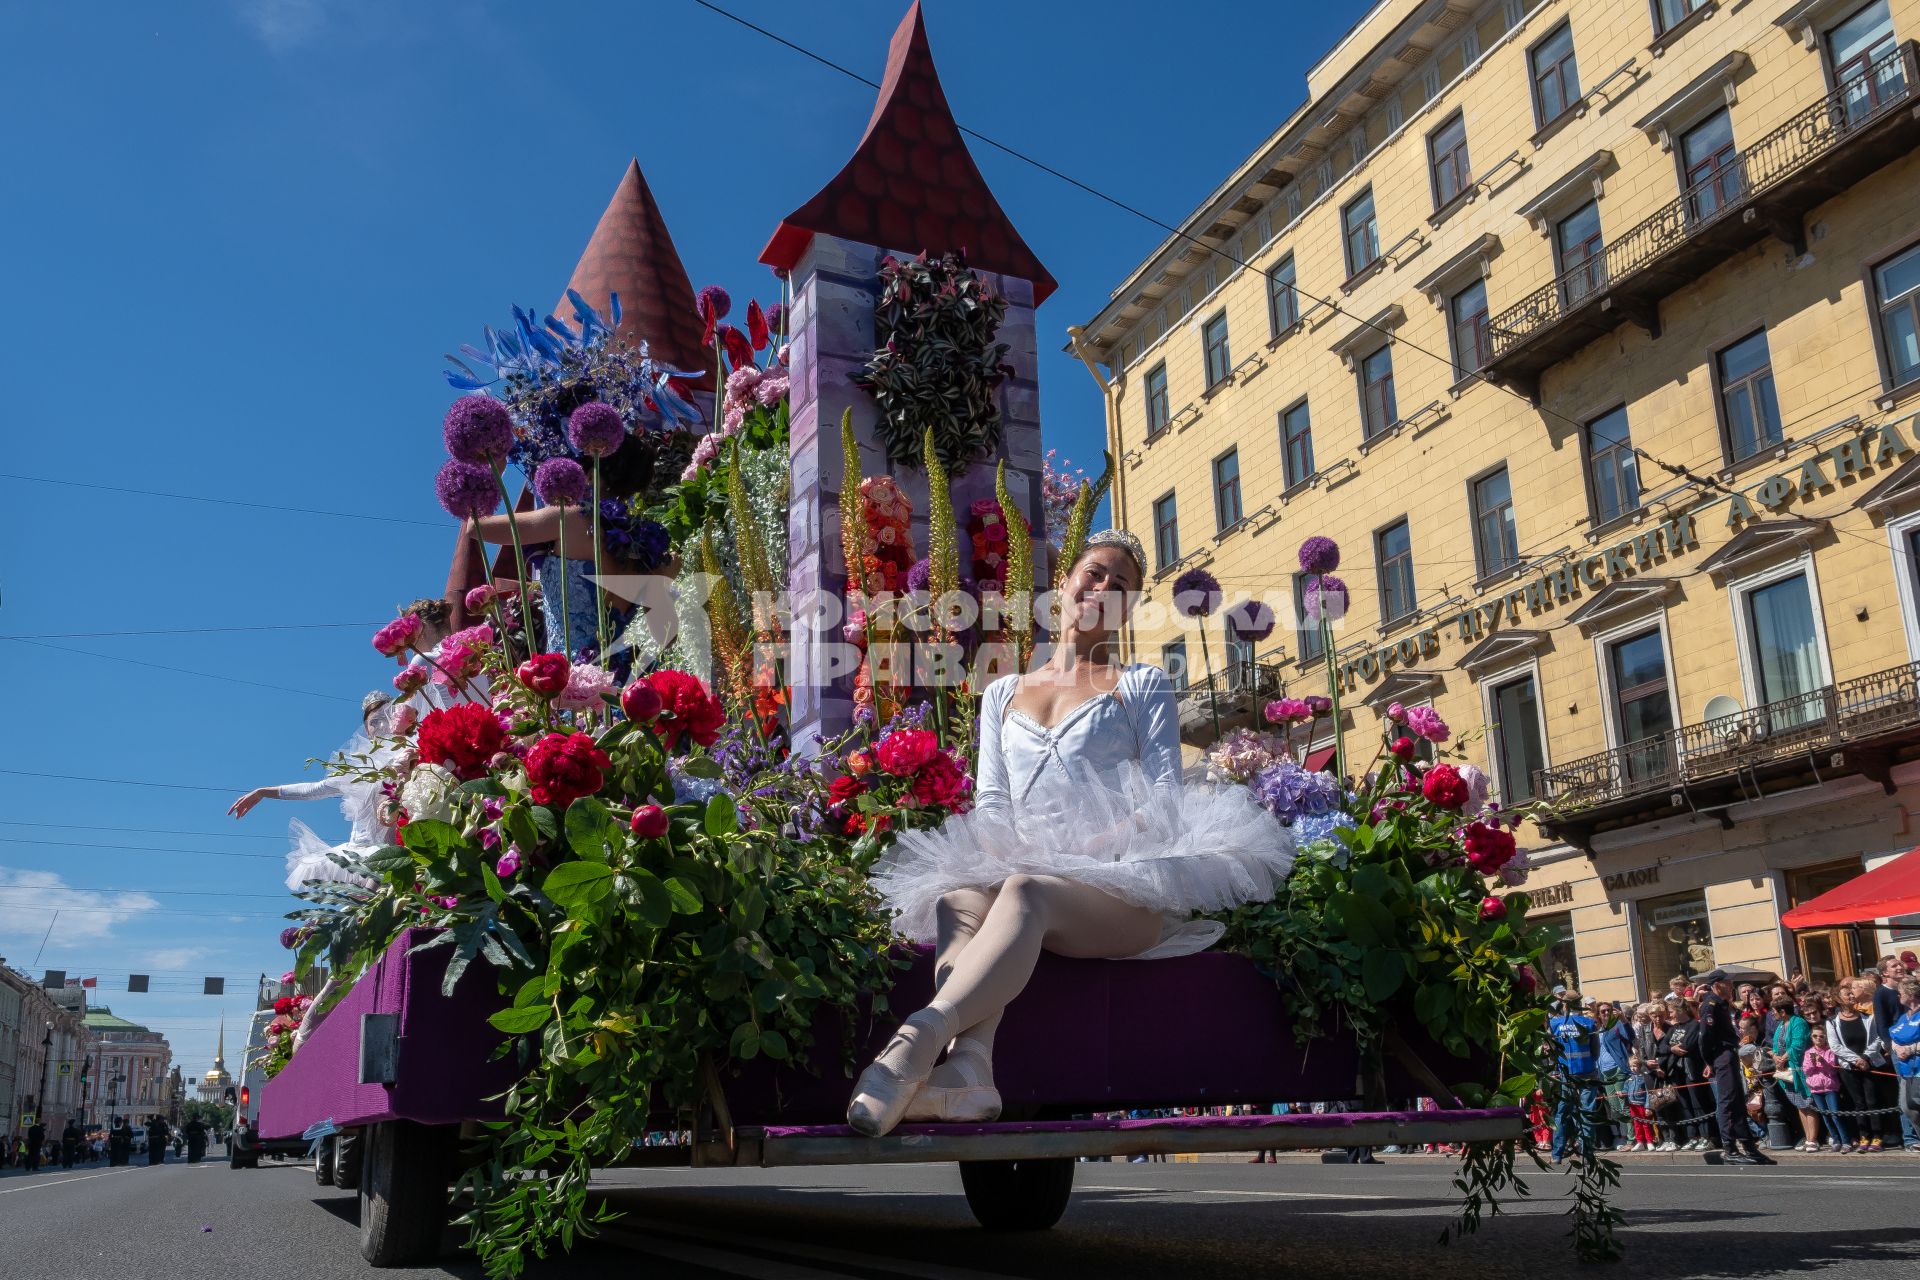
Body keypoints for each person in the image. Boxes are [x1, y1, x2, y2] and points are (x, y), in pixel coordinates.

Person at [848, 531, 1297, 1136]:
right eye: (1095, 573)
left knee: (1029, 891)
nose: (1104, 588)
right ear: (1065, 584)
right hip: (1025, 870)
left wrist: (1082, 851)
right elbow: (992, 800)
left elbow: (1166, 798)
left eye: (1122, 585)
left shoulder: (1141, 685)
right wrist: (1004, 850)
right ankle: (970, 1071)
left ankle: (917, 1038)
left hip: (1120, 887)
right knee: (959, 899)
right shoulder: (1004, 691)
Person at [229, 692, 401, 892]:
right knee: (359, 909)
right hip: (357, 852)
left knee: (367, 905)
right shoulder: (358, 768)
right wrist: (263, 792)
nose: (380, 726)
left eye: (386, 719)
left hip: (389, 853)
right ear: (366, 728)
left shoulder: (407, 757)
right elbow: (315, 789)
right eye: (375, 722)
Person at [1698, 969, 1773, 1164]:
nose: (1732, 986)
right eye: (1727, 982)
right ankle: (1730, 1147)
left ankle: (1748, 1146)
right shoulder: (1710, 1005)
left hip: (1729, 1054)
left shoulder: (1722, 1004)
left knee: (1738, 1102)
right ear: (1716, 984)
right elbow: (1705, 1037)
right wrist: (1710, 1061)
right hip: (1721, 1056)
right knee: (1728, 1102)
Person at [1829, 976, 1897, 1152]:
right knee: (1858, 1102)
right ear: (1838, 998)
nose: (1852, 996)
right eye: (1847, 994)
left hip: (1870, 1064)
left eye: (1853, 993)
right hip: (1849, 1068)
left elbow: (1876, 1039)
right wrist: (1855, 1060)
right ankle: (1863, 1136)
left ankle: (1877, 1137)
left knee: (1872, 1100)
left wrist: (1865, 1058)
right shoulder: (1832, 1022)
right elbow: (1835, 1046)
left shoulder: (1869, 1018)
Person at [1547, 989, 1603, 1163]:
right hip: (1587, 1071)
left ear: (1565, 1004)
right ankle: (1587, 1154)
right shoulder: (1588, 1023)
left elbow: (1551, 1049)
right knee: (1587, 1112)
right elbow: (1595, 1050)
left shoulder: (1555, 1024)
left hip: (1565, 1073)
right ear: (1579, 1003)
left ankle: (1557, 1154)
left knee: (1562, 1113)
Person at [1770, 994, 1818, 1152]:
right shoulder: (1780, 1026)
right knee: (1800, 1104)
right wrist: (1776, 1056)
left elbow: (1798, 1044)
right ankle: (1807, 1136)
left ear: (1782, 1011)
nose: (1772, 1013)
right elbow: (1777, 1044)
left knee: (1808, 1103)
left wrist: (1783, 1058)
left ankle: (1813, 1139)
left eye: (1774, 1011)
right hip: (1786, 1070)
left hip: (1799, 1069)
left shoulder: (1799, 1023)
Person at [1804, 1025, 1849, 1150]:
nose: (1818, 1038)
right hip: (1816, 1088)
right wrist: (1814, 1063)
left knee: (1835, 1114)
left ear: (1826, 1038)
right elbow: (1807, 1071)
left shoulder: (1830, 1051)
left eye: (1821, 1036)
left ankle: (1846, 1141)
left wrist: (1822, 1061)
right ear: (1811, 1038)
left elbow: (1833, 1071)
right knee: (1825, 1116)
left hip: (1830, 1087)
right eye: (1815, 1036)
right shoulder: (1808, 1053)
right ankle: (1836, 1140)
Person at [1594, 1000, 1630, 1152]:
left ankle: (1631, 1138)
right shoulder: (1597, 1029)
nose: (1607, 1013)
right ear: (1598, 1014)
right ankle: (1622, 1136)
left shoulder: (1617, 1026)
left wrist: (1623, 1019)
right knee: (1614, 1108)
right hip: (1604, 1072)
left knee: (1624, 1106)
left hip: (1618, 1069)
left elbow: (1629, 1036)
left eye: (1609, 1010)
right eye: (1603, 1011)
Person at [1889, 975, 1920, 1149]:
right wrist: (1897, 1049)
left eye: (1900, 992)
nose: (1898, 995)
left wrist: (1911, 1049)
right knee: (1907, 1107)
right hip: (1906, 1069)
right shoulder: (1903, 1017)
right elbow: (1894, 1038)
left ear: (1911, 994)